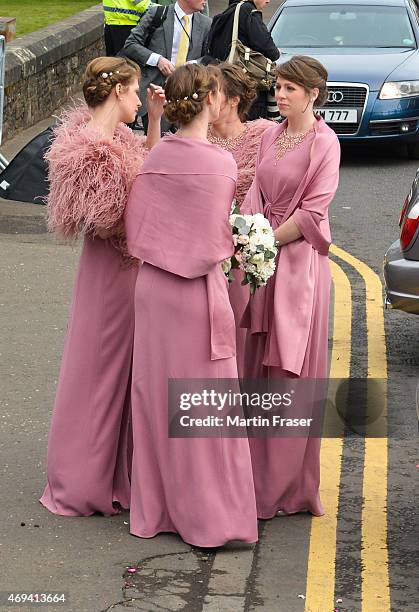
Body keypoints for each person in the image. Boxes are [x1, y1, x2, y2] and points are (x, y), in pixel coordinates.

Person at [124, 64, 258, 547]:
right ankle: (208, 516)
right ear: (207, 101)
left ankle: (156, 511)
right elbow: (213, 241)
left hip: (153, 290)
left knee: (156, 402)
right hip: (195, 294)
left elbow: (138, 224)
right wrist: (242, 244)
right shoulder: (220, 163)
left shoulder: (156, 154)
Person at [39, 57, 165, 517]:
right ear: (116, 92)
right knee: (99, 371)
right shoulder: (90, 146)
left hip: (123, 271)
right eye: (135, 92)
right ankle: (83, 480)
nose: (139, 98)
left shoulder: (119, 137)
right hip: (111, 272)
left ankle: (114, 473)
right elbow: (111, 218)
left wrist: (153, 121)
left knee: (123, 373)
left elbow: (149, 170)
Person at [241, 56, 341, 518]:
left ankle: (282, 487)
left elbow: (313, 213)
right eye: (278, 87)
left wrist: (263, 240)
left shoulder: (326, 143)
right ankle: (250, 476)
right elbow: (255, 195)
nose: (280, 96)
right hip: (264, 263)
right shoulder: (270, 135)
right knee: (255, 369)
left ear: (313, 94)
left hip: (298, 266)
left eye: (290, 90)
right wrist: (247, 232)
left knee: (288, 375)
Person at [207, 63, 272, 376]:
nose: (206, 99)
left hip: (243, 258)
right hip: (200, 257)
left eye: (214, 93)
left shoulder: (263, 140)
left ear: (233, 100)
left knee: (238, 337)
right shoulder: (194, 137)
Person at [121, 0, 211, 133]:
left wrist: (194, 64)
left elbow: (210, 56)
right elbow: (131, 44)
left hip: (189, 98)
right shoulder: (157, 14)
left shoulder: (206, 24)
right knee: (156, 146)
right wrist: (157, 60)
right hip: (157, 93)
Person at [205, 0, 280, 119]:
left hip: (224, 85)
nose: (268, 0)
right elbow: (271, 51)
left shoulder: (225, 14)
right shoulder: (249, 12)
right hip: (248, 88)